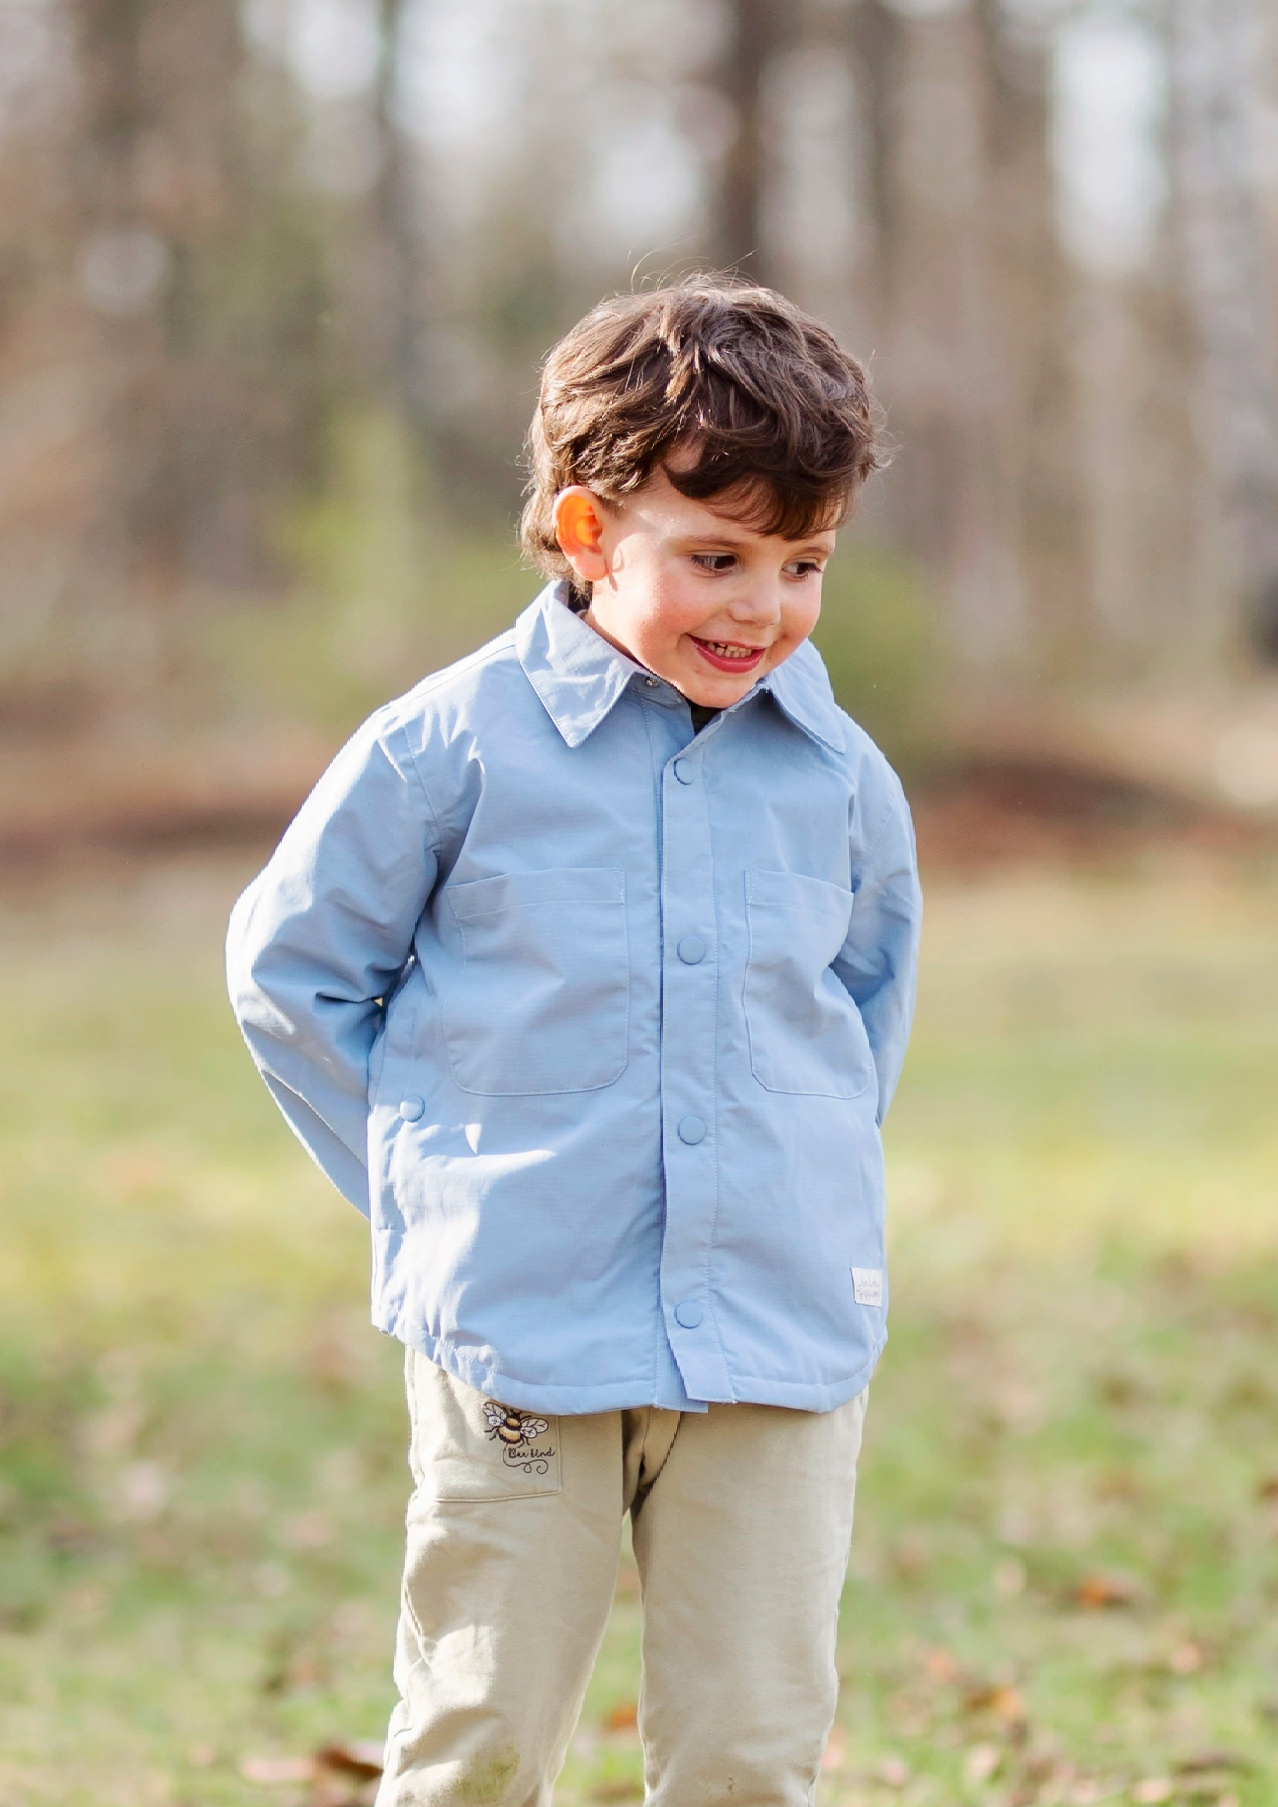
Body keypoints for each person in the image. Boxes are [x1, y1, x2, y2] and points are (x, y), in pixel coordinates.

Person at [226, 277, 922, 1807]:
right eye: (718, 556)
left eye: (802, 564)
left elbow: (860, 1005)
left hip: (773, 1335)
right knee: (477, 1737)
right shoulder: (445, 746)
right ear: (590, 530)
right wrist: (433, 1194)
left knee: (749, 1751)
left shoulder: (842, 777)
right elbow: (293, 972)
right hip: (521, 1335)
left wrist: (781, 1181)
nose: (763, 607)